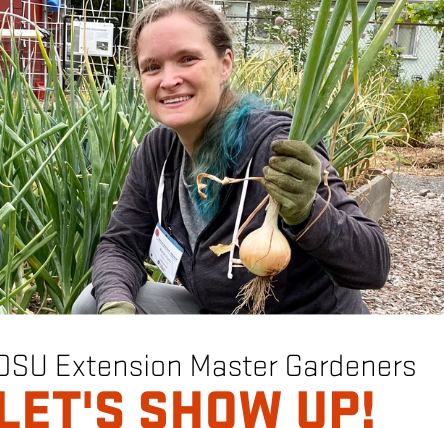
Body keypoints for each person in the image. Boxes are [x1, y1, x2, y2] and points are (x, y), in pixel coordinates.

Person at [72, 0, 389, 315]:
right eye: (152, 67)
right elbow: (120, 244)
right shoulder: (157, 152)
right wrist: (116, 306)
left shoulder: (277, 146)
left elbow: (373, 265)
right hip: (222, 314)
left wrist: (308, 212)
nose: (168, 80)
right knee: (93, 304)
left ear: (225, 64)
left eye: (187, 59)